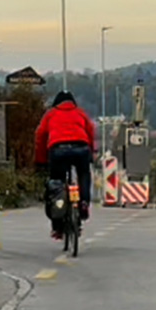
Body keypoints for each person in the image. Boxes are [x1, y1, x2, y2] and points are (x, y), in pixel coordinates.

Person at [34, 91, 95, 235]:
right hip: (81, 148)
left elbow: (40, 135)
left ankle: (58, 225)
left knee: (57, 184)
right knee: (84, 174)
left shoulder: (51, 114)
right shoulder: (80, 113)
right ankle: (84, 202)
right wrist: (91, 153)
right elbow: (90, 130)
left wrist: (41, 160)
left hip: (58, 150)